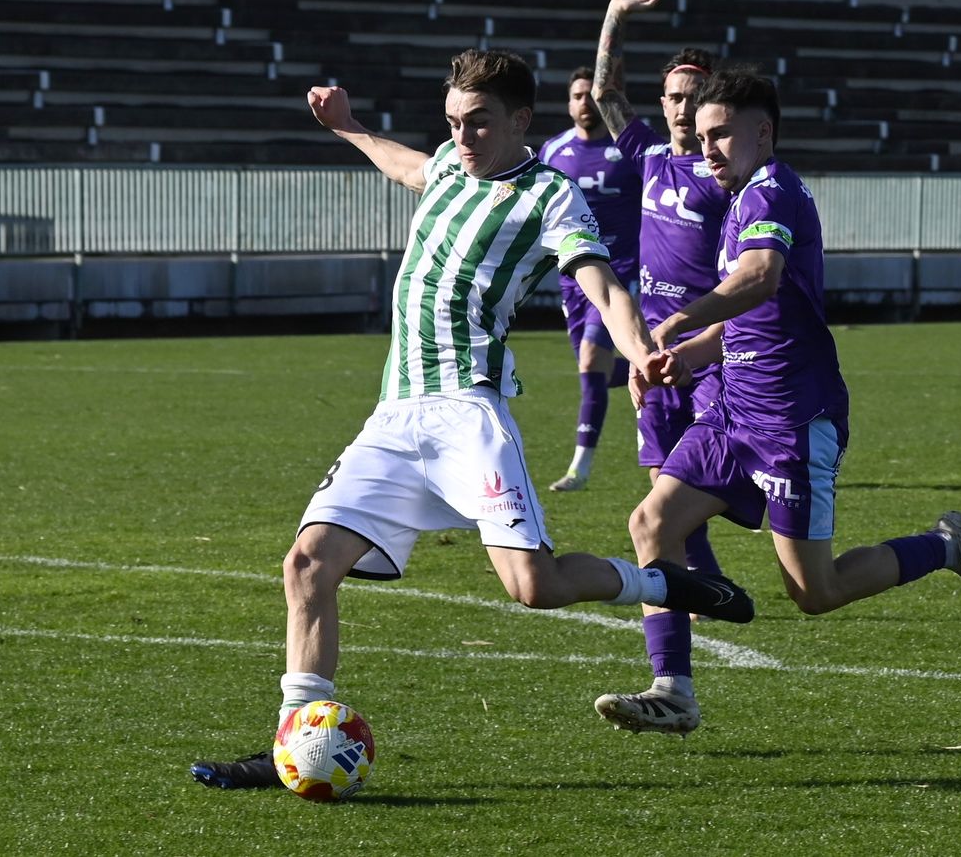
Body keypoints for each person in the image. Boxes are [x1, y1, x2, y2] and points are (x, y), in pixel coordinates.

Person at [190, 49, 756, 788]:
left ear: (521, 120)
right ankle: (290, 743)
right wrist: (351, 127)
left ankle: (665, 585)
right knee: (305, 566)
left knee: (534, 585)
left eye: (479, 123)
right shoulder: (451, 169)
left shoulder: (551, 196)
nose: (463, 137)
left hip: (467, 411)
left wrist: (642, 352)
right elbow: (407, 167)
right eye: (454, 122)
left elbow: (603, 285)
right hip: (395, 415)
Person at [592, 67, 961, 736]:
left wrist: (673, 324)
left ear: (764, 131)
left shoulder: (774, 192)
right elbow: (743, 320)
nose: (708, 150)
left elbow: (762, 278)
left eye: (723, 133)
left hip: (793, 418)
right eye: (702, 137)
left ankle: (946, 544)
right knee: (652, 523)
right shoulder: (737, 199)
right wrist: (687, 356)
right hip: (731, 411)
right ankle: (673, 689)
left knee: (815, 591)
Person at [590, 0, 729, 580]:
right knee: (660, 479)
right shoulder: (648, 155)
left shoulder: (729, 177)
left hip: (713, 350)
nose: (681, 107)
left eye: (694, 97)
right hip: (652, 347)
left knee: (707, 477)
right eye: (673, 97)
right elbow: (604, 92)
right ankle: (705, 584)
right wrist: (615, 14)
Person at [540, 66, 644, 492]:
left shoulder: (632, 148)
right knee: (600, 370)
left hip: (622, 271)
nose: (585, 103)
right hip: (573, 276)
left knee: (590, 359)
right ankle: (652, 378)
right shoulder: (554, 151)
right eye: (577, 95)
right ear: (569, 103)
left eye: (591, 95)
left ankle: (580, 468)